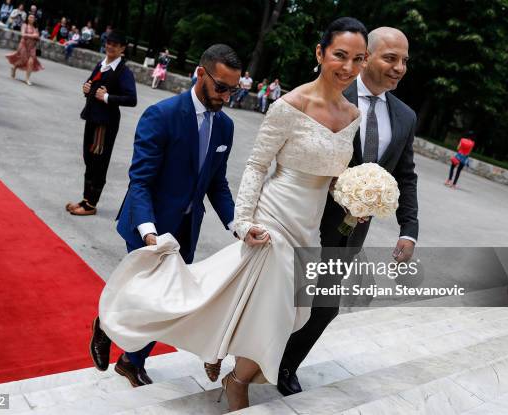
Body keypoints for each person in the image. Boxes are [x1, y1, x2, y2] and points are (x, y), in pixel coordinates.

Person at [97, 18, 367, 411]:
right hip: (220, 219)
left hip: (303, 225)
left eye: (358, 59)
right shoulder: (280, 107)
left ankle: (204, 353)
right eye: (340, 55)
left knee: (276, 310)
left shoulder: (345, 116)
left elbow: (220, 183)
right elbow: (145, 181)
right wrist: (238, 223)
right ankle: (124, 335)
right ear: (320, 53)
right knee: (238, 304)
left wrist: (354, 199)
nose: (348, 66)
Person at [277, 26, 420, 397]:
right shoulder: (328, 95)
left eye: (405, 60)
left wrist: (409, 228)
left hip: (351, 231)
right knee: (280, 293)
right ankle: (249, 357)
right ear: (366, 57)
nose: (400, 67)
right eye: (391, 58)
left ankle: (286, 364)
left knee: (325, 305)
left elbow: (405, 174)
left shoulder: (405, 116)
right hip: (302, 216)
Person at [89, 44, 240, 387]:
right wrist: (148, 231)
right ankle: (106, 325)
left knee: (166, 303)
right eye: (222, 88)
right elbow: (140, 181)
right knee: (146, 298)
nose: (227, 97)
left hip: (186, 228)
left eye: (234, 89)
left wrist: (237, 225)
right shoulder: (162, 115)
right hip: (148, 224)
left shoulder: (226, 128)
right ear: (200, 74)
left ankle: (130, 361)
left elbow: (217, 184)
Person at [65, 31, 137, 216]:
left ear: (122, 49)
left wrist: (106, 96)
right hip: (92, 117)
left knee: (98, 161)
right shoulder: (102, 65)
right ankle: (86, 198)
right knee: (88, 158)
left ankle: (91, 204)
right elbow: (91, 85)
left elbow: (131, 99)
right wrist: (86, 88)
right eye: (109, 42)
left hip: (105, 123)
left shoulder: (123, 71)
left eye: (115, 44)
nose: (110, 46)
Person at [5, 13, 43, 85]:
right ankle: (14, 68)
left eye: (33, 18)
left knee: (31, 62)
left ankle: (27, 79)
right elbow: (23, 34)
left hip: (32, 47)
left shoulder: (35, 28)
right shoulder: (24, 25)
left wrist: (35, 36)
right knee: (23, 60)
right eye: (30, 17)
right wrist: (33, 35)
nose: (31, 18)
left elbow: (38, 37)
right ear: (28, 18)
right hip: (23, 46)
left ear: (34, 20)